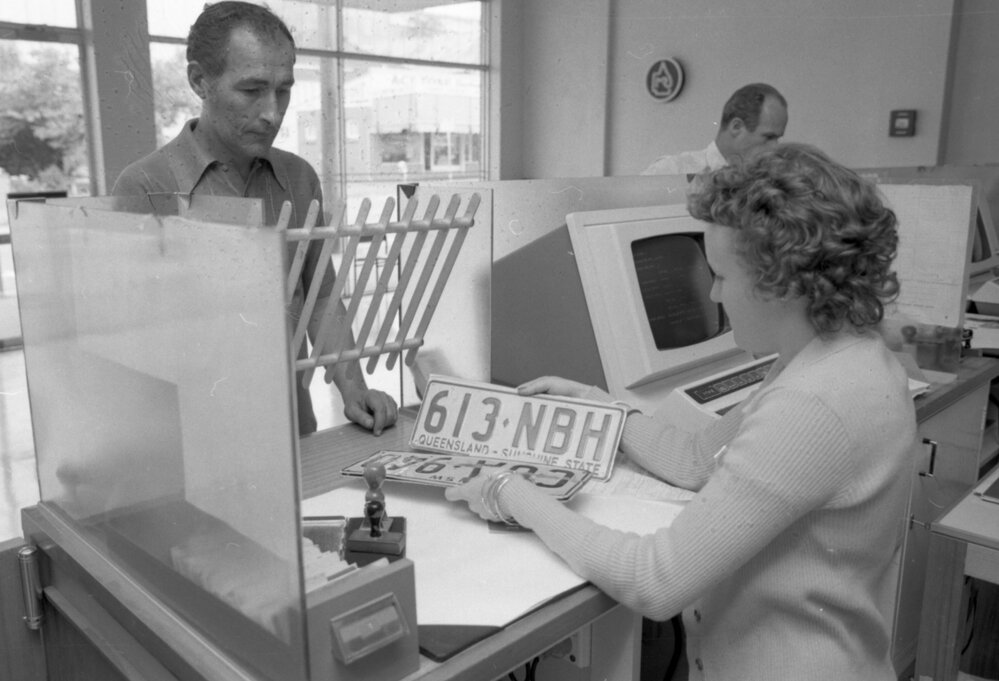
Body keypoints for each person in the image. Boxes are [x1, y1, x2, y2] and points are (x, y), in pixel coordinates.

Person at [447, 143, 916, 680]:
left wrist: (507, 492)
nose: (714, 295)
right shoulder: (839, 356)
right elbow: (699, 459)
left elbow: (655, 580)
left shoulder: (810, 404)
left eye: (722, 275)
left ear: (781, 282)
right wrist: (602, 409)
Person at [113, 1, 397, 437]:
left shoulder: (298, 178)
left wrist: (354, 388)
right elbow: (130, 341)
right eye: (251, 90)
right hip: (191, 435)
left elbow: (320, 295)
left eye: (283, 90)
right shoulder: (145, 187)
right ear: (199, 81)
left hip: (290, 428)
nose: (272, 112)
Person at [642, 82, 788, 176]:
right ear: (736, 127)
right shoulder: (672, 171)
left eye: (778, 138)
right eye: (769, 137)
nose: (775, 148)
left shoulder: (769, 185)